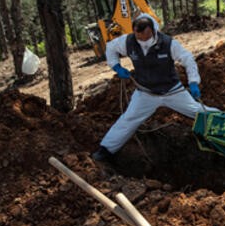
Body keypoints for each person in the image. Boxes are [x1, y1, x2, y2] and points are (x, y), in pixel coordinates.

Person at [91, 13, 215, 162]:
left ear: (152, 31)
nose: (143, 40)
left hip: (172, 91)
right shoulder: (128, 41)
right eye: (139, 37)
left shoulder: (169, 43)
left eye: (146, 36)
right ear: (134, 32)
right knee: (129, 119)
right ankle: (106, 150)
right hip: (146, 93)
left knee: (198, 111)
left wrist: (193, 81)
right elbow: (111, 47)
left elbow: (187, 59)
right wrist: (116, 66)